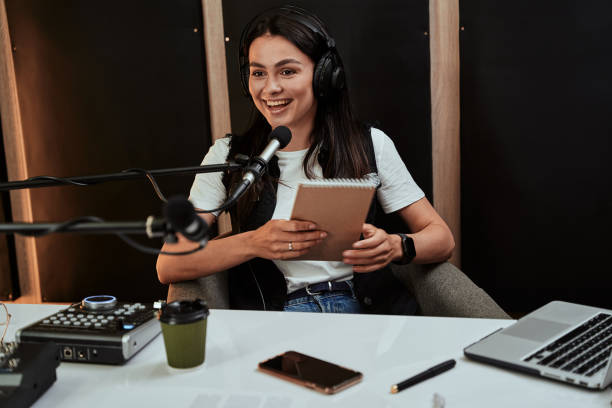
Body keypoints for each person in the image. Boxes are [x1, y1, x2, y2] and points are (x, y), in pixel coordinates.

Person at [157, 5, 454, 314]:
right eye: (258, 73)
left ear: (324, 76)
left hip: (367, 314)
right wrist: (253, 242)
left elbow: (442, 239)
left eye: (287, 71)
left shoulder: (370, 144)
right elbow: (168, 264)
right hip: (279, 318)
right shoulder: (229, 155)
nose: (270, 88)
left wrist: (397, 246)